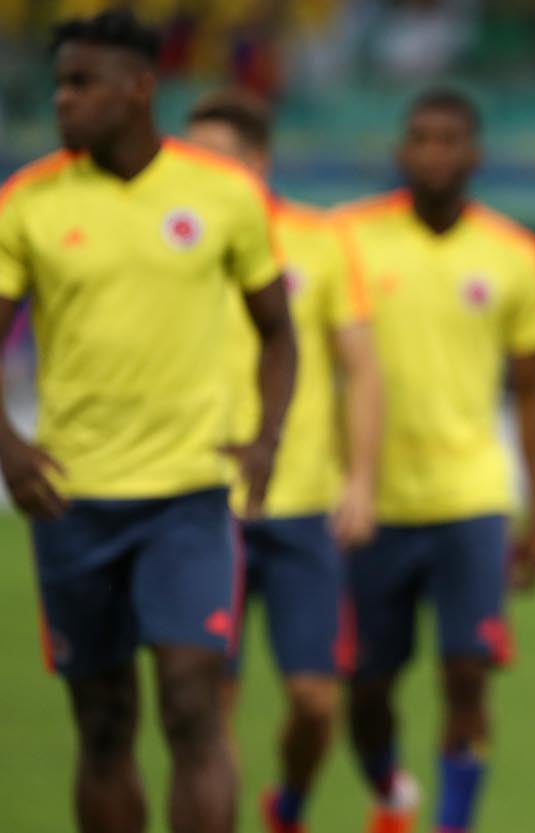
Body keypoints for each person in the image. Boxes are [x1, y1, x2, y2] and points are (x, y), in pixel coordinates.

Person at [0, 11, 296, 833]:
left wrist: (265, 435)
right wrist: (5, 445)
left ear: (138, 88)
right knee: (103, 724)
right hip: (71, 497)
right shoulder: (26, 201)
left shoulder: (223, 195)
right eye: (59, 84)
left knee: (191, 704)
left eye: (81, 84)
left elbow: (277, 328)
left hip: (186, 495)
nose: (62, 100)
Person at [333, 88, 535, 833]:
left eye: (448, 139)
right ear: (401, 152)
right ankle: (389, 788)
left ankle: (451, 824)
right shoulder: (349, 240)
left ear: (474, 154)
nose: (434, 152)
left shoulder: (515, 254)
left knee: (468, 676)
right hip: (370, 502)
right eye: (420, 138)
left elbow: (533, 390)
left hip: (470, 499)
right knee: (365, 686)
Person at [184, 89, 384, 833]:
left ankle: (288, 806)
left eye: (218, 158)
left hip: (303, 503)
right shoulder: (173, 242)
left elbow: (361, 367)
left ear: (259, 163)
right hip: (201, 503)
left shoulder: (319, 240)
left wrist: (360, 479)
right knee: (208, 704)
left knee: (314, 700)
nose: (199, 173)